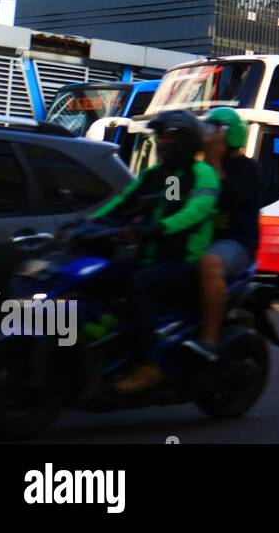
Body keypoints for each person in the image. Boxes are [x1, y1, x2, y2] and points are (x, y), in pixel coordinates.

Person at [99, 110, 220, 394]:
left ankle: (150, 365)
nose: (162, 142)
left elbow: (195, 212)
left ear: (186, 141)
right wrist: (86, 224)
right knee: (103, 278)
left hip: (183, 261)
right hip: (150, 256)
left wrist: (158, 228)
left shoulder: (201, 174)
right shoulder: (158, 175)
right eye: (160, 136)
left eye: (168, 137)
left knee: (138, 285)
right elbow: (122, 202)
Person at [182, 107, 261, 360]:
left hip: (236, 242)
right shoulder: (195, 169)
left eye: (214, 131)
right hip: (200, 238)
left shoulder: (248, 169)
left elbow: (230, 197)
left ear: (228, 135)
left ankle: (210, 338)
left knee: (210, 264)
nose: (208, 136)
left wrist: (215, 161)